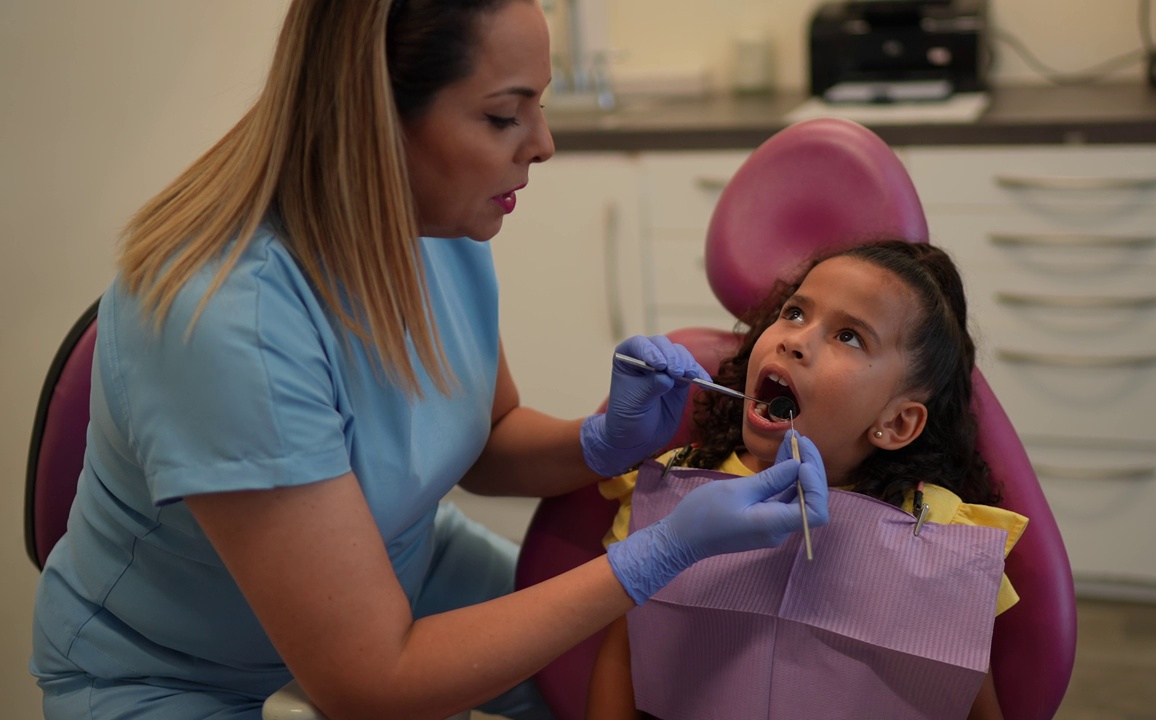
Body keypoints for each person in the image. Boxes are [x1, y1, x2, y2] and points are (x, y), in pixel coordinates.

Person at [28, 2, 830, 719]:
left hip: (403, 559)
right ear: (375, 118)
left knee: (623, 670)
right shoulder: (228, 321)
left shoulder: (433, 218)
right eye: (503, 117)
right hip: (173, 671)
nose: (543, 146)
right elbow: (369, 681)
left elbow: (486, 437)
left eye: (539, 107)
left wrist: (597, 442)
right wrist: (657, 554)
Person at [585, 241, 1029, 720]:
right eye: (794, 312)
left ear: (897, 423)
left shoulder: (940, 534)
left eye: (850, 337)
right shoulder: (671, 490)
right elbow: (624, 652)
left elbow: (967, 693)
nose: (795, 339)